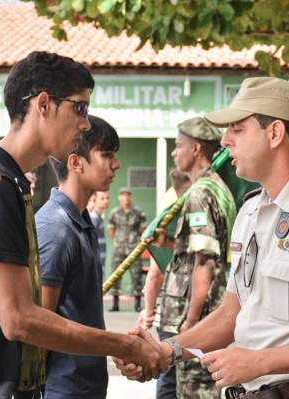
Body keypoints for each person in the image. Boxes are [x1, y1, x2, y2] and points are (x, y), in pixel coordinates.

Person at [116, 77, 289, 399]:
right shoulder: (252, 210)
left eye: (237, 129)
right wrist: (167, 350)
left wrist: (260, 361)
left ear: (274, 133)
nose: (225, 140)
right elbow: (232, 314)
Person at [0, 51, 165, 399]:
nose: (86, 123)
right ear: (43, 104)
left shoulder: (14, 181)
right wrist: (124, 345)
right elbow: (20, 320)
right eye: (80, 107)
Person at [145, 117, 236, 399]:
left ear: (196, 149)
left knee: (196, 391)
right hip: (211, 313)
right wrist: (170, 243)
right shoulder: (218, 188)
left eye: (178, 146)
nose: (174, 153)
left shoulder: (199, 194)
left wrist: (192, 320)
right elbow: (204, 251)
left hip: (200, 318)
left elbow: (205, 263)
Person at [36, 115, 121, 399]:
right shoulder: (55, 227)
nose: (115, 164)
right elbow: (41, 329)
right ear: (76, 162)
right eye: (106, 155)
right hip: (62, 389)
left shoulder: (80, 221)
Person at [138, 168, 193, 399]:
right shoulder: (184, 204)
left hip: (173, 310)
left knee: (170, 376)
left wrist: (149, 310)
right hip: (181, 310)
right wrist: (150, 310)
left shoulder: (173, 200)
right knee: (175, 377)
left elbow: (155, 274)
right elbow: (155, 273)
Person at [108, 187, 148, 312]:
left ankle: (137, 303)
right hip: (119, 247)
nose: (125, 197)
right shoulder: (114, 212)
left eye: (128, 195)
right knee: (116, 274)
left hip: (134, 247)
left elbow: (143, 229)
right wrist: (119, 240)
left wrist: (133, 239)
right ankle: (115, 303)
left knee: (136, 275)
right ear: (119, 197)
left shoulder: (138, 212)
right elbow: (111, 230)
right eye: (123, 195)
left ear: (131, 197)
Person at [90, 190, 110, 282]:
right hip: (95, 259)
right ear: (94, 200)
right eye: (102, 198)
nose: (106, 201)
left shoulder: (98, 217)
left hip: (100, 258)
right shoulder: (94, 218)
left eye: (107, 198)